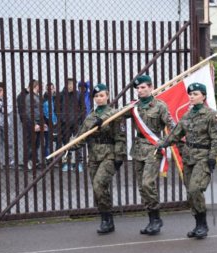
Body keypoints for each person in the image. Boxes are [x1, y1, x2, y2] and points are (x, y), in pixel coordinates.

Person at [158, 82, 217, 239]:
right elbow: (176, 133)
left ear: (203, 96)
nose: (191, 97)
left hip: (203, 156)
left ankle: (203, 225)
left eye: (195, 94)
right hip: (188, 157)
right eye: (190, 94)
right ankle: (197, 224)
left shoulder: (211, 115)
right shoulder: (187, 115)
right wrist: (162, 143)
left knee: (195, 189)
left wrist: (213, 156)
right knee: (190, 193)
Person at [72, 84, 126, 234]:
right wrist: (71, 146)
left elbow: (120, 137)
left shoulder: (114, 114)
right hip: (94, 156)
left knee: (98, 184)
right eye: (96, 96)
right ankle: (106, 219)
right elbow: (81, 136)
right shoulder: (90, 117)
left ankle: (106, 219)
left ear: (107, 96)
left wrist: (119, 156)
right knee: (98, 190)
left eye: (102, 95)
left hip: (109, 155)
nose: (99, 99)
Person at [125, 75, 173, 235]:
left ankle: (157, 218)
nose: (140, 90)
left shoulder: (160, 106)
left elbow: (172, 127)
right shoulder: (134, 107)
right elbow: (114, 116)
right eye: (138, 88)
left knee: (147, 184)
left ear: (151, 87)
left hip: (153, 149)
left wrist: (164, 142)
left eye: (143, 87)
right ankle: (152, 219)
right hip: (138, 149)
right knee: (142, 187)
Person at [58, 78, 85, 172]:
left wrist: (81, 121)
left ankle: (79, 163)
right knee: (66, 144)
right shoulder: (61, 95)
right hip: (65, 123)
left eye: (72, 84)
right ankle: (66, 163)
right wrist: (61, 119)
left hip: (77, 123)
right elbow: (57, 108)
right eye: (69, 84)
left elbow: (83, 108)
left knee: (78, 142)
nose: (70, 86)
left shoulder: (78, 95)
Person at [22, 80, 47, 170]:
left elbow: (39, 112)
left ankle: (34, 162)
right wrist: (34, 124)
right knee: (31, 143)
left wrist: (43, 123)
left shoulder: (36, 97)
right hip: (32, 124)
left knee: (36, 144)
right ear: (36, 86)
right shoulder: (29, 97)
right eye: (41, 86)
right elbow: (29, 112)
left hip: (38, 123)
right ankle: (28, 163)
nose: (42, 87)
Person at [0, 82, 14, 167]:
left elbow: (8, 110)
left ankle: (10, 161)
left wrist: (1, 108)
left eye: (2, 90)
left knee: (9, 142)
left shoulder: (7, 99)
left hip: (6, 123)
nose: (1, 92)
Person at [43, 82, 59, 157]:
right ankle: (48, 161)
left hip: (58, 124)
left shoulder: (58, 98)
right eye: (48, 89)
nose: (50, 91)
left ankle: (57, 160)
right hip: (48, 123)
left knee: (59, 142)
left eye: (51, 89)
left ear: (54, 89)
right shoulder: (43, 99)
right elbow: (42, 113)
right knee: (48, 143)